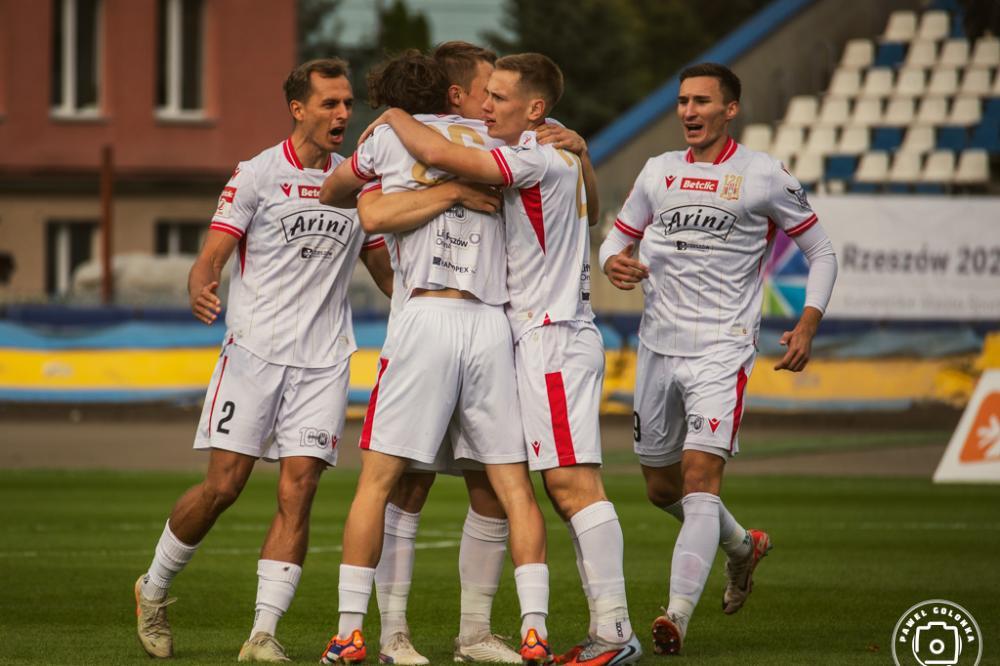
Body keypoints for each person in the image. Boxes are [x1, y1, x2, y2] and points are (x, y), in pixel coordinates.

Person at [356, 52, 643, 666]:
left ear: (534, 108)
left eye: (501, 97)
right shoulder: (556, 151)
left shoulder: (531, 154)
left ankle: (615, 633)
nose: (488, 107)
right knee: (515, 485)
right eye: (485, 94)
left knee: (571, 485)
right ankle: (557, 632)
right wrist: (585, 152)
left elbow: (444, 157)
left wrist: (392, 116)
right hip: (519, 337)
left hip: (550, 335)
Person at [132, 58, 394, 663]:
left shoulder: (358, 185)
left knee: (298, 491)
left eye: (348, 104)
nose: (343, 115)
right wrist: (202, 283)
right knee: (223, 487)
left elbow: (384, 271)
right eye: (330, 103)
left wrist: (427, 302)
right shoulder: (256, 173)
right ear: (298, 109)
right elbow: (212, 254)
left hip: (325, 361)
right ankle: (154, 586)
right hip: (253, 353)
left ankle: (263, 634)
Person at [316, 51, 553, 666]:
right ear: (455, 94)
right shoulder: (506, 149)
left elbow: (336, 192)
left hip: (425, 319)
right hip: (489, 324)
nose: (491, 99)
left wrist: (385, 142)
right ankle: (499, 630)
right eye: (484, 87)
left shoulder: (392, 139)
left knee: (386, 481)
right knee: (501, 484)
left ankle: (364, 632)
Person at [598, 62, 839, 655]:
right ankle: (742, 547)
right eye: (682, 101)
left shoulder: (762, 176)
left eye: (702, 101)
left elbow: (822, 251)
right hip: (657, 346)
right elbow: (616, 236)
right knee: (660, 489)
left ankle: (675, 616)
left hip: (722, 348)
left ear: (730, 109)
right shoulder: (658, 171)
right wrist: (612, 261)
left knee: (701, 481)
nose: (689, 112)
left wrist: (807, 322)